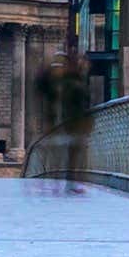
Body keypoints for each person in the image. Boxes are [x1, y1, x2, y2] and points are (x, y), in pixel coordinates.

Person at [35, 55, 94, 194]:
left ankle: (65, 182)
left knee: (71, 153)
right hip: (65, 124)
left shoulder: (73, 82)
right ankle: (60, 182)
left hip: (71, 123)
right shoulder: (68, 83)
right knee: (63, 153)